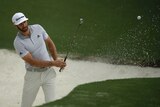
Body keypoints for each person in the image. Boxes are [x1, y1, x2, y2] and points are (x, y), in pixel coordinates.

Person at [12, 12, 66, 107]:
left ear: (27, 20)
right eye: (20, 24)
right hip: (33, 76)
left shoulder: (38, 28)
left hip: (48, 73)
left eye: (24, 22)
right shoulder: (18, 42)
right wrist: (54, 63)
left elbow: (50, 44)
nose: (23, 25)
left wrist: (56, 59)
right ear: (16, 26)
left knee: (52, 103)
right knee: (26, 105)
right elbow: (32, 62)